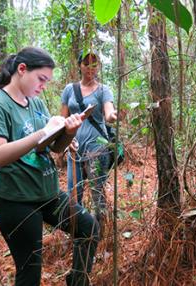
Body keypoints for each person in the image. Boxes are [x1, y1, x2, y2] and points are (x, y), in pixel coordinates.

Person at [0, 47, 98, 286]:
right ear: (22, 70)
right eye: (41, 79)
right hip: (17, 201)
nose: (43, 86)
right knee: (30, 271)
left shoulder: (36, 103)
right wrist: (40, 133)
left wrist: (68, 131)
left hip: (48, 194)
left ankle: (77, 282)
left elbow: (51, 147)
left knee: (89, 229)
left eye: (47, 81)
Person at [61, 50, 117, 225]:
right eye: (86, 64)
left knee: (97, 191)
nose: (90, 68)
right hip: (74, 147)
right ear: (80, 65)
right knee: (74, 192)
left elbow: (108, 113)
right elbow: (62, 119)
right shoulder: (69, 89)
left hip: (97, 148)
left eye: (94, 64)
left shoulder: (103, 90)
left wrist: (113, 116)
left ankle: (99, 230)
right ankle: (78, 230)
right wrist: (64, 142)